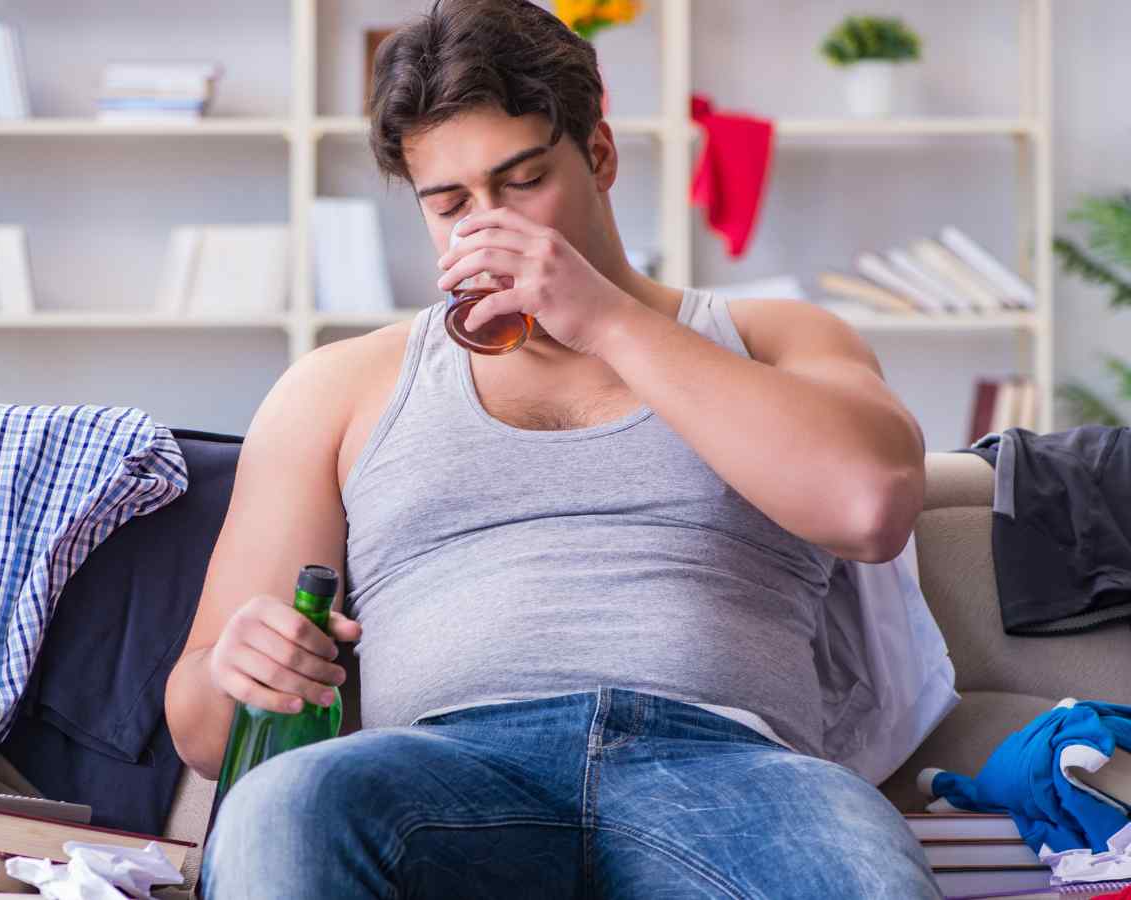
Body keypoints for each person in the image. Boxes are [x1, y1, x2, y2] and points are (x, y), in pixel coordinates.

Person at [164, 1, 935, 896]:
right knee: (280, 806)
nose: (487, 229)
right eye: (449, 204)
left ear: (599, 156)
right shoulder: (336, 387)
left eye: (523, 182)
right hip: (436, 775)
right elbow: (202, 729)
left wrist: (604, 317)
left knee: (862, 874)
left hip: (733, 774)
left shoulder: (771, 337)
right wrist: (239, 669)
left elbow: (870, 507)